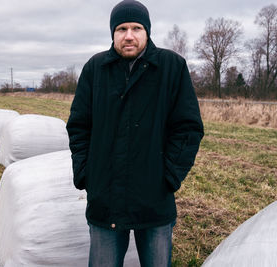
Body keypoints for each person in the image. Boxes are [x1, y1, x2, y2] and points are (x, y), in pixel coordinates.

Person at [66, 0, 204, 266]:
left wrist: (169, 177)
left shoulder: (171, 67)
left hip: (154, 198)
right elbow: (78, 126)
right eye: (121, 29)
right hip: (105, 198)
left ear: (147, 31)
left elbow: (188, 128)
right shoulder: (95, 69)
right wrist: (85, 172)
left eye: (136, 28)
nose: (129, 35)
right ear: (113, 34)